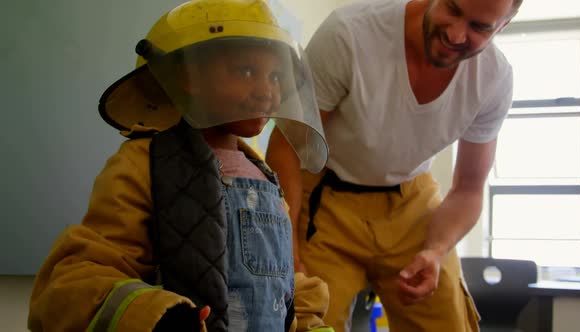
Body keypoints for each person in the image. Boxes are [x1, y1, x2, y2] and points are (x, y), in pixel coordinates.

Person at [27, 1, 333, 331]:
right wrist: (157, 317)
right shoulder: (145, 163)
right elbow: (77, 279)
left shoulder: (265, 178)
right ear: (187, 76)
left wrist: (312, 325)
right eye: (246, 72)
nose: (267, 91)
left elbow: (282, 287)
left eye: (276, 76)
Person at [266, 0, 523, 331]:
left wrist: (436, 250)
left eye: (480, 27)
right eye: (453, 9)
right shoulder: (350, 33)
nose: (457, 35)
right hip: (327, 197)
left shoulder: (494, 78)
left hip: (413, 202)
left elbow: (468, 189)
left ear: (501, 26)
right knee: (306, 317)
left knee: (449, 321)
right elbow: (287, 147)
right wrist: (289, 253)